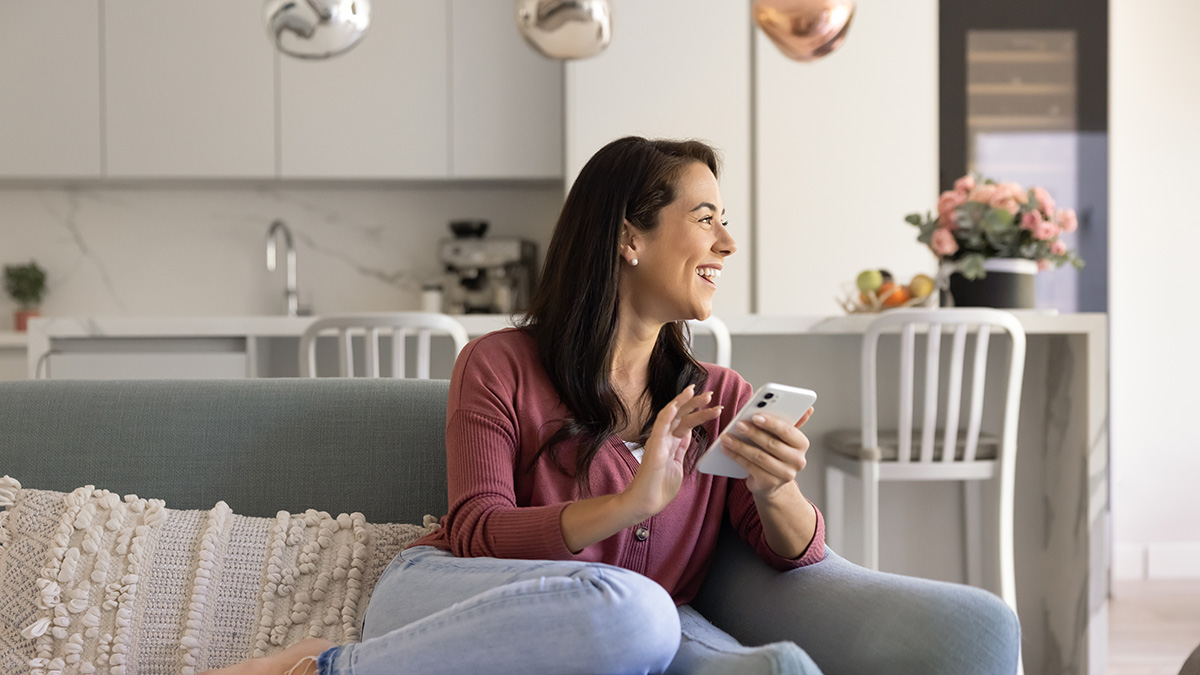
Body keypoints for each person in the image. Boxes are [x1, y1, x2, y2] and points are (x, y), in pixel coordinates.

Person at [205, 137, 1021, 675]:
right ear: (629, 237)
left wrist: (779, 492)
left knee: (776, 667)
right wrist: (627, 505)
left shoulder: (717, 396)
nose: (727, 244)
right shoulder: (498, 365)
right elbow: (477, 529)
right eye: (706, 221)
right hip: (454, 590)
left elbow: (797, 560)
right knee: (637, 609)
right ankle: (323, 664)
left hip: (633, 626)